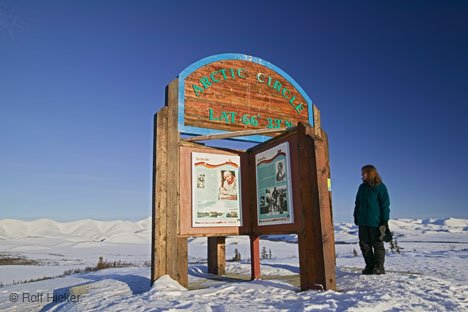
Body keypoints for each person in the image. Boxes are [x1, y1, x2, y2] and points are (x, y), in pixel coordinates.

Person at [354, 165, 390, 275]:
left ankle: (379, 267)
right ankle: (370, 265)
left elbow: (385, 205)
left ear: (371, 173)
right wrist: (356, 216)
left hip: (376, 222)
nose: (362, 175)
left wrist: (384, 221)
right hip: (363, 222)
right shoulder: (362, 187)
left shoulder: (380, 187)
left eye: (364, 173)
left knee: (377, 244)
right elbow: (357, 203)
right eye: (362, 173)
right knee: (364, 245)